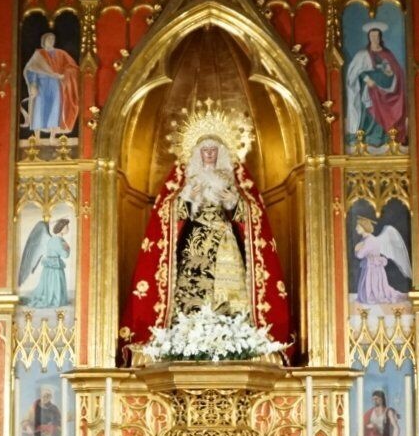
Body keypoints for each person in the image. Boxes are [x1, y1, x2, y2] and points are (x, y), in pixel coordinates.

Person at [122, 104, 291, 348]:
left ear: (220, 152)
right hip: (196, 240)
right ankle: (188, 334)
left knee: (230, 289)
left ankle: (234, 335)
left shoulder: (234, 176)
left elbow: (254, 212)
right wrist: (188, 199)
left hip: (225, 238)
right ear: (197, 153)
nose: (209, 154)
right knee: (192, 282)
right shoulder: (185, 177)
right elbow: (165, 212)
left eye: (213, 150)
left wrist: (233, 202)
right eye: (205, 150)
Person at [345, 21, 407, 150]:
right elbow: (354, 73)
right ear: (369, 37)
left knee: (385, 110)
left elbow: (397, 72)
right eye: (372, 36)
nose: (375, 38)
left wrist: (390, 73)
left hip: (385, 89)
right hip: (369, 89)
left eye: (377, 36)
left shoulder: (387, 54)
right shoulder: (363, 54)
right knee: (370, 112)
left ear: (380, 37)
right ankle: (369, 135)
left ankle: (384, 136)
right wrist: (367, 78)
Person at [22, 31, 80, 137]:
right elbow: (31, 69)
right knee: (38, 110)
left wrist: (64, 75)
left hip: (55, 84)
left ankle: (52, 138)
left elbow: (72, 67)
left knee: (55, 109)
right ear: (43, 41)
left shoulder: (61, 53)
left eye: (53, 39)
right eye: (49, 39)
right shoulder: (39, 54)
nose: (51, 41)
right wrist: (33, 84)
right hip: (41, 85)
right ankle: (37, 138)